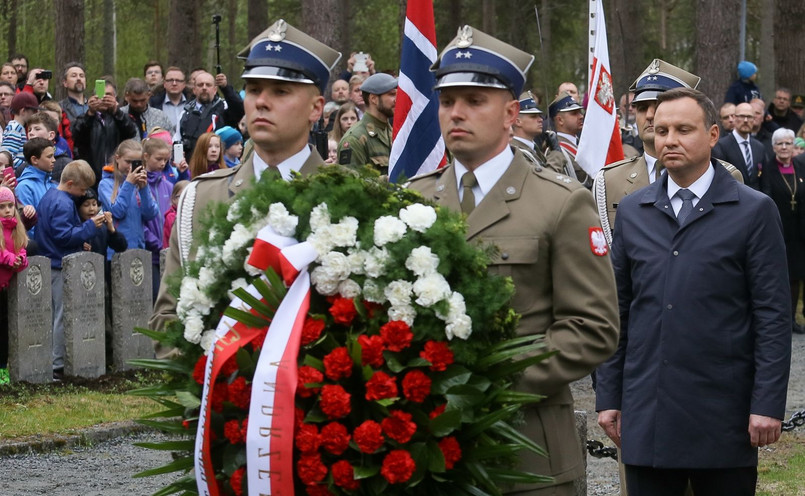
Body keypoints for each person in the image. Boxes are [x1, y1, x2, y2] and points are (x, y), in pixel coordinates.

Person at [407, 24, 619, 496]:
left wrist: (488, 375)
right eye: (446, 101)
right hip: (427, 448)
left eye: (474, 101)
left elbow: (593, 327)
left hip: (528, 451)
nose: (456, 113)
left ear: (509, 114)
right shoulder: (411, 203)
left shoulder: (560, 203)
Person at [596, 87, 791, 496]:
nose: (670, 140)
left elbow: (772, 315)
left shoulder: (753, 211)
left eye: (684, 129)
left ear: (713, 134)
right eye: (661, 129)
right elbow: (619, 311)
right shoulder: (634, 211)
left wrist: (767, 404)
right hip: (648, 413)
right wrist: (609, 395)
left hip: (724, 414)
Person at [150, 19, 341, 334]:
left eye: (281, 91)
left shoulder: (349, 197)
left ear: (316, 108)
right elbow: (168, 317)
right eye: (253, 90)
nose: (261, 102)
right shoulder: (200, 198)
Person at [594, 60, 743, 245]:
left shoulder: (723, 174)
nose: (649, 115)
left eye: (656, 106)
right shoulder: (609, 180)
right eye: (641, 108)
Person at [35, 160, 105, 379]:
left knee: (56, 313)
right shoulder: (64, 203)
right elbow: (63, 237)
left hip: (51, 260)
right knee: (61, 315)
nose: (83, 194)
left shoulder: (49, 195)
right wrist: (90, 226)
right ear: (71, 183)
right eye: (82, 189)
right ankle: (57, 365)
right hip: (58, 264)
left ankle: (55, 360)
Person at [761, 128, 805, 335]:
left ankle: (794, 321)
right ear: (774, 147)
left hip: (799, 230)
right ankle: (783, 320)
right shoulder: (768, 169)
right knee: (782, 278)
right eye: (780, 144)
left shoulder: (799, 166)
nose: (785, 148)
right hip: (779, 228)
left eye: (788, 143)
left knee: (797, 275)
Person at [71, 78, 138, 187]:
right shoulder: (85, 118)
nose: (104, 98)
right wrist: (90, 113)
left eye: (108, 95)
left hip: (117, 174)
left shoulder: (120, 117)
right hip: (90, 175)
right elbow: (77, 136)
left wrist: (116, 112)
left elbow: (131, 131)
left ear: (115, 97)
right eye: (100, 95)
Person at [337, 72, 397, 172]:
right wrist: (386, 181)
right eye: (391, 94)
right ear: (373, 99)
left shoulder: (390, 132)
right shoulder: (354, 139)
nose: (396, 100)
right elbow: (351, 183)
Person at [177, 70, 244, 158]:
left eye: (208, 85)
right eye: (200, 85)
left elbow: (240, 111)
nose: (204, 88)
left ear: (215, 90)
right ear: (194, 90)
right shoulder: (185, 113)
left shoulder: (224, 107)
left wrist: (225, 88)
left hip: (219, 167)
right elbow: (177, 139)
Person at [0, 185, 28, 373]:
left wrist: (21, 259)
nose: (8, 210)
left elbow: (22, 246)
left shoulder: (16, 228)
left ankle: (3, 368)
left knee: (5, 329)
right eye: (2, 206)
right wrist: (11, 259)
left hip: (8, 286)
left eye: (10, 205)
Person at [142, 138, 173, 299]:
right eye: (158, 159)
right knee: (155, 296)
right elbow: (141, 223)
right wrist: (157, 244)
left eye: (166, 160)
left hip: (168, 252)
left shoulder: (168, 186)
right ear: (146, 157)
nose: (162, 163)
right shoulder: (140, 184)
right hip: (150, 253)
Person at [712, 102, 766, 189]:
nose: (745, 120)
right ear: (734, 118)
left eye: (749, 117)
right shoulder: (721, 145)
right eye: (741, 116)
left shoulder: (759, 147)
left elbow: (764, 182)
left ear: (754, 119)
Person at [545, 91, 589, 185]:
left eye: (580, 112)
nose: (581, 116)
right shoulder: (555, 150)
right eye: (574, 113)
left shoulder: (581, 144)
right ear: (560, 120)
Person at [14, 138, 56, 226]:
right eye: (49, 156)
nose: (54, 160)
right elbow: (28, 224)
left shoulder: (54, 184)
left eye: (53, 156)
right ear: (35, 160)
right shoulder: (24, 187)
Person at [75, 187, 126, 257]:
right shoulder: (74, 227)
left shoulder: (101, 227)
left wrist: (112, 230)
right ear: (78, 208)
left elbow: (121, 247)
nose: (91, 209)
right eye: (86, 205)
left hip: (101, 266)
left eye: (94, 204)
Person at [3, 92, 40, 171]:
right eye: (33, 111)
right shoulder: (15, 128)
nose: (35, 114)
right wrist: (28, 167)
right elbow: (8, 156)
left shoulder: (19, 128)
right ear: (23, 111)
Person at [510, 91, 548, 164]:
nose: (541, 119)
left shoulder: (533, 148)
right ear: (517, 121)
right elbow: (541, 175)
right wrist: (556, 154)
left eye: (539, 115)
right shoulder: (514, 151)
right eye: (533, 116)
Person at [150, 66, 188, 131]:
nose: (174, 83)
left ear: (184, 84)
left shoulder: (193, 104)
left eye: (178, 80)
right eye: (170, 80)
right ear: (164, 84)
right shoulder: (153, 104)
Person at [162, 179, 188, 248]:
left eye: (188, 196)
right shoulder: (171, 217)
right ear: (174, 199)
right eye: (182, 196)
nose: (185, 199)